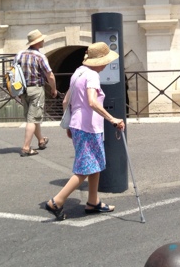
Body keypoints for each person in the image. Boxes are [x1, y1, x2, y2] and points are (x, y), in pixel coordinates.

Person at [45, 42, 126, 220]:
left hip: (78, 124)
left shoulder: (78, 72)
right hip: (89, 127)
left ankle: (92, 201)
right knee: (84, 168)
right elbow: (92, 101)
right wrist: (112, 119)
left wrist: (69, 126)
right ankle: (57, 201)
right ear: (100, 61)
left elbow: (65, 101)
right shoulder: (93, 76)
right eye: (106, 61)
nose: (107, 64)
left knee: (94, 163)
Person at [18, 29, 58, 157]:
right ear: (37, 42)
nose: (43, 41)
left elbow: (14, 72)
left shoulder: (20, 54)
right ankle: (26, 148)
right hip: (36, 89)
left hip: (23, 89)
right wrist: (53, 89)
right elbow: (50, 75)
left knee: (32, 116)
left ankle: (41, 140)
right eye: (41, 40)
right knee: (32, 119)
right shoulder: (40, 56)